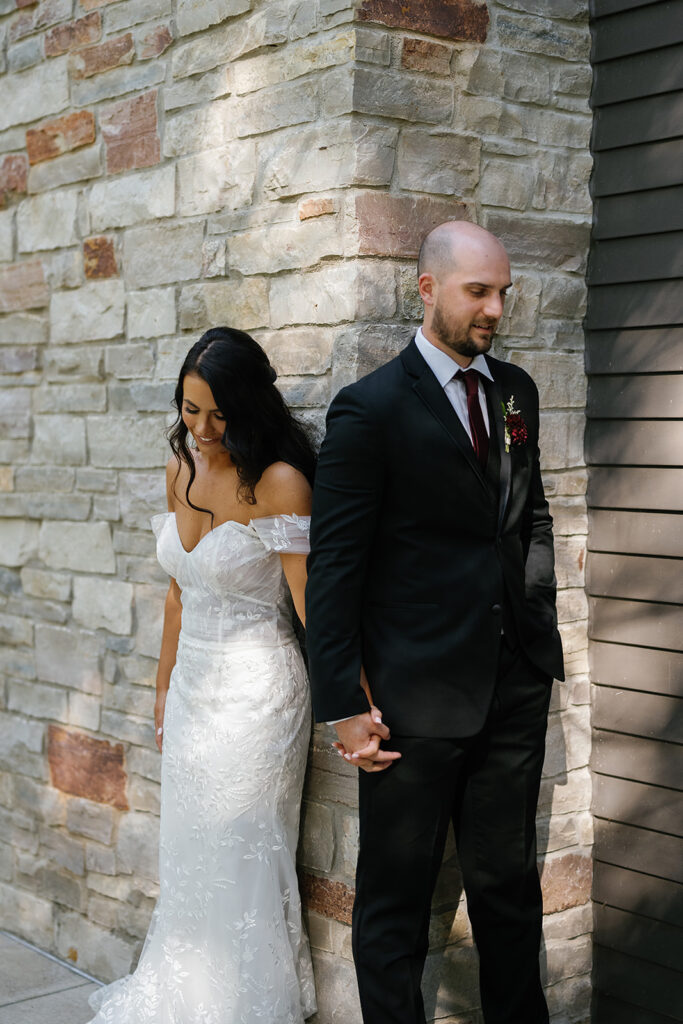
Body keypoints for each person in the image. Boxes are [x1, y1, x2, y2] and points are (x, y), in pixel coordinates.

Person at [305, 221, 564, 1024]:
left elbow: (530, 518)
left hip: (511, 688)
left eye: (501, 293)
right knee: (394, 907)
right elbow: (334, 569)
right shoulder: (369, 409)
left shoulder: (514, 391)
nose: (493, 309)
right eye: (476, 292)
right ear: (427, 290)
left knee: (509, 892)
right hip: (411, 706)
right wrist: (342, 704)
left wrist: (533, 616)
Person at [88, 327, 317, 1023]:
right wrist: (161, 689)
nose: (204, 428)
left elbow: (312, 606)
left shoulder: (279, 484)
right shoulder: (180, 465)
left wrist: (351, 694)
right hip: (191, 693)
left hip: (259, 698)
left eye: (218, 413)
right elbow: (178, 591)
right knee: (190, 854)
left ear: (249, 406)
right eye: (190, 410)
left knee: (238, 853)